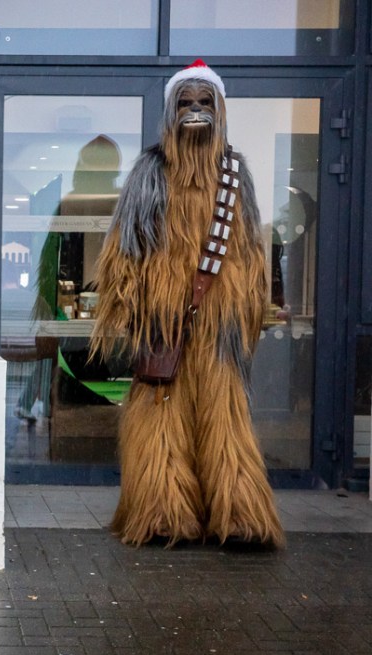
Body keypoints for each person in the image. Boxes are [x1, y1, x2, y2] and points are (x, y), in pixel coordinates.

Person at [89, 60, 283, 548]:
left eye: (204, 102)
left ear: (219, 110)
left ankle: (239, 515)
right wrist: (140, 302)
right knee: (161, 413)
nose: (195, 110)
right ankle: (161, 513)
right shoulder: (151, 171)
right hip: (164, 320)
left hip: (221, 324)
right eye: (185, 102)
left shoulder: (235, 174)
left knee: (226, 414)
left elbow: (248, 248)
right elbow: (126, 248)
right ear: (170, 113)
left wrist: (248, 303)